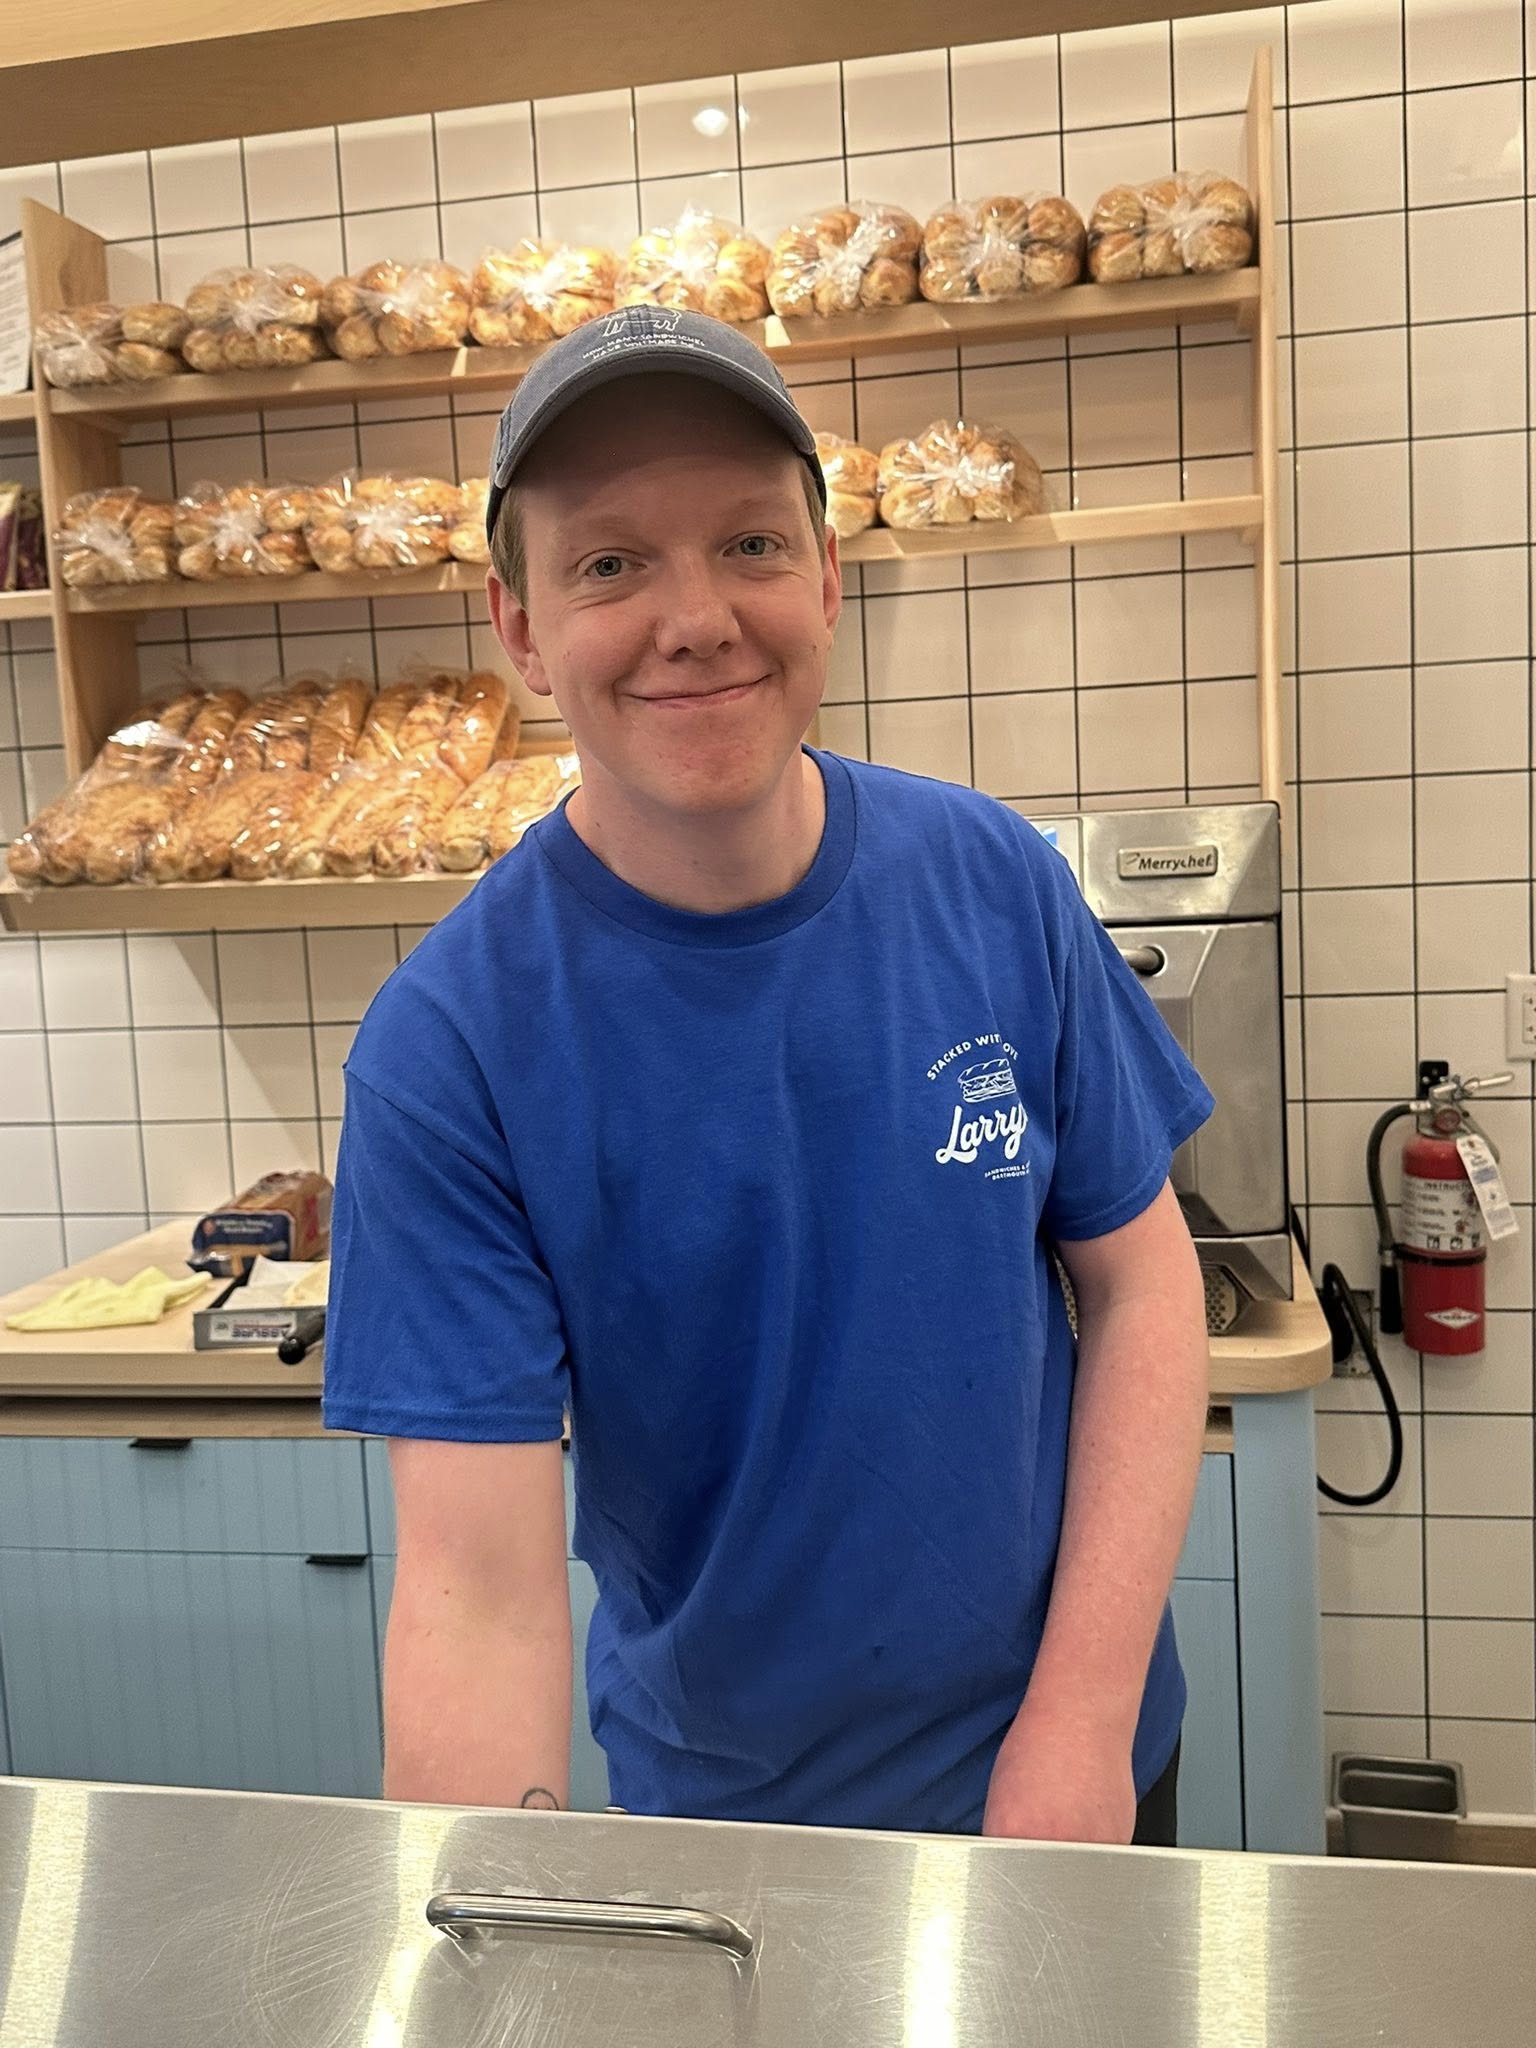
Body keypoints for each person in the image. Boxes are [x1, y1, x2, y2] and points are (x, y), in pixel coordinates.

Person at [323, 306, 1214, 1846]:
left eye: (749, 543)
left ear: (827, 577)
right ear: (521, 629)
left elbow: (1143, 1286)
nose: (697, 619)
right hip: (736, 1829)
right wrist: (492, 1914)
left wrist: (1077, 1736)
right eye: (611, 563)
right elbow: (476, 1596)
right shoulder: (451, 1049)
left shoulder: (991, 880)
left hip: (1083, 1772)